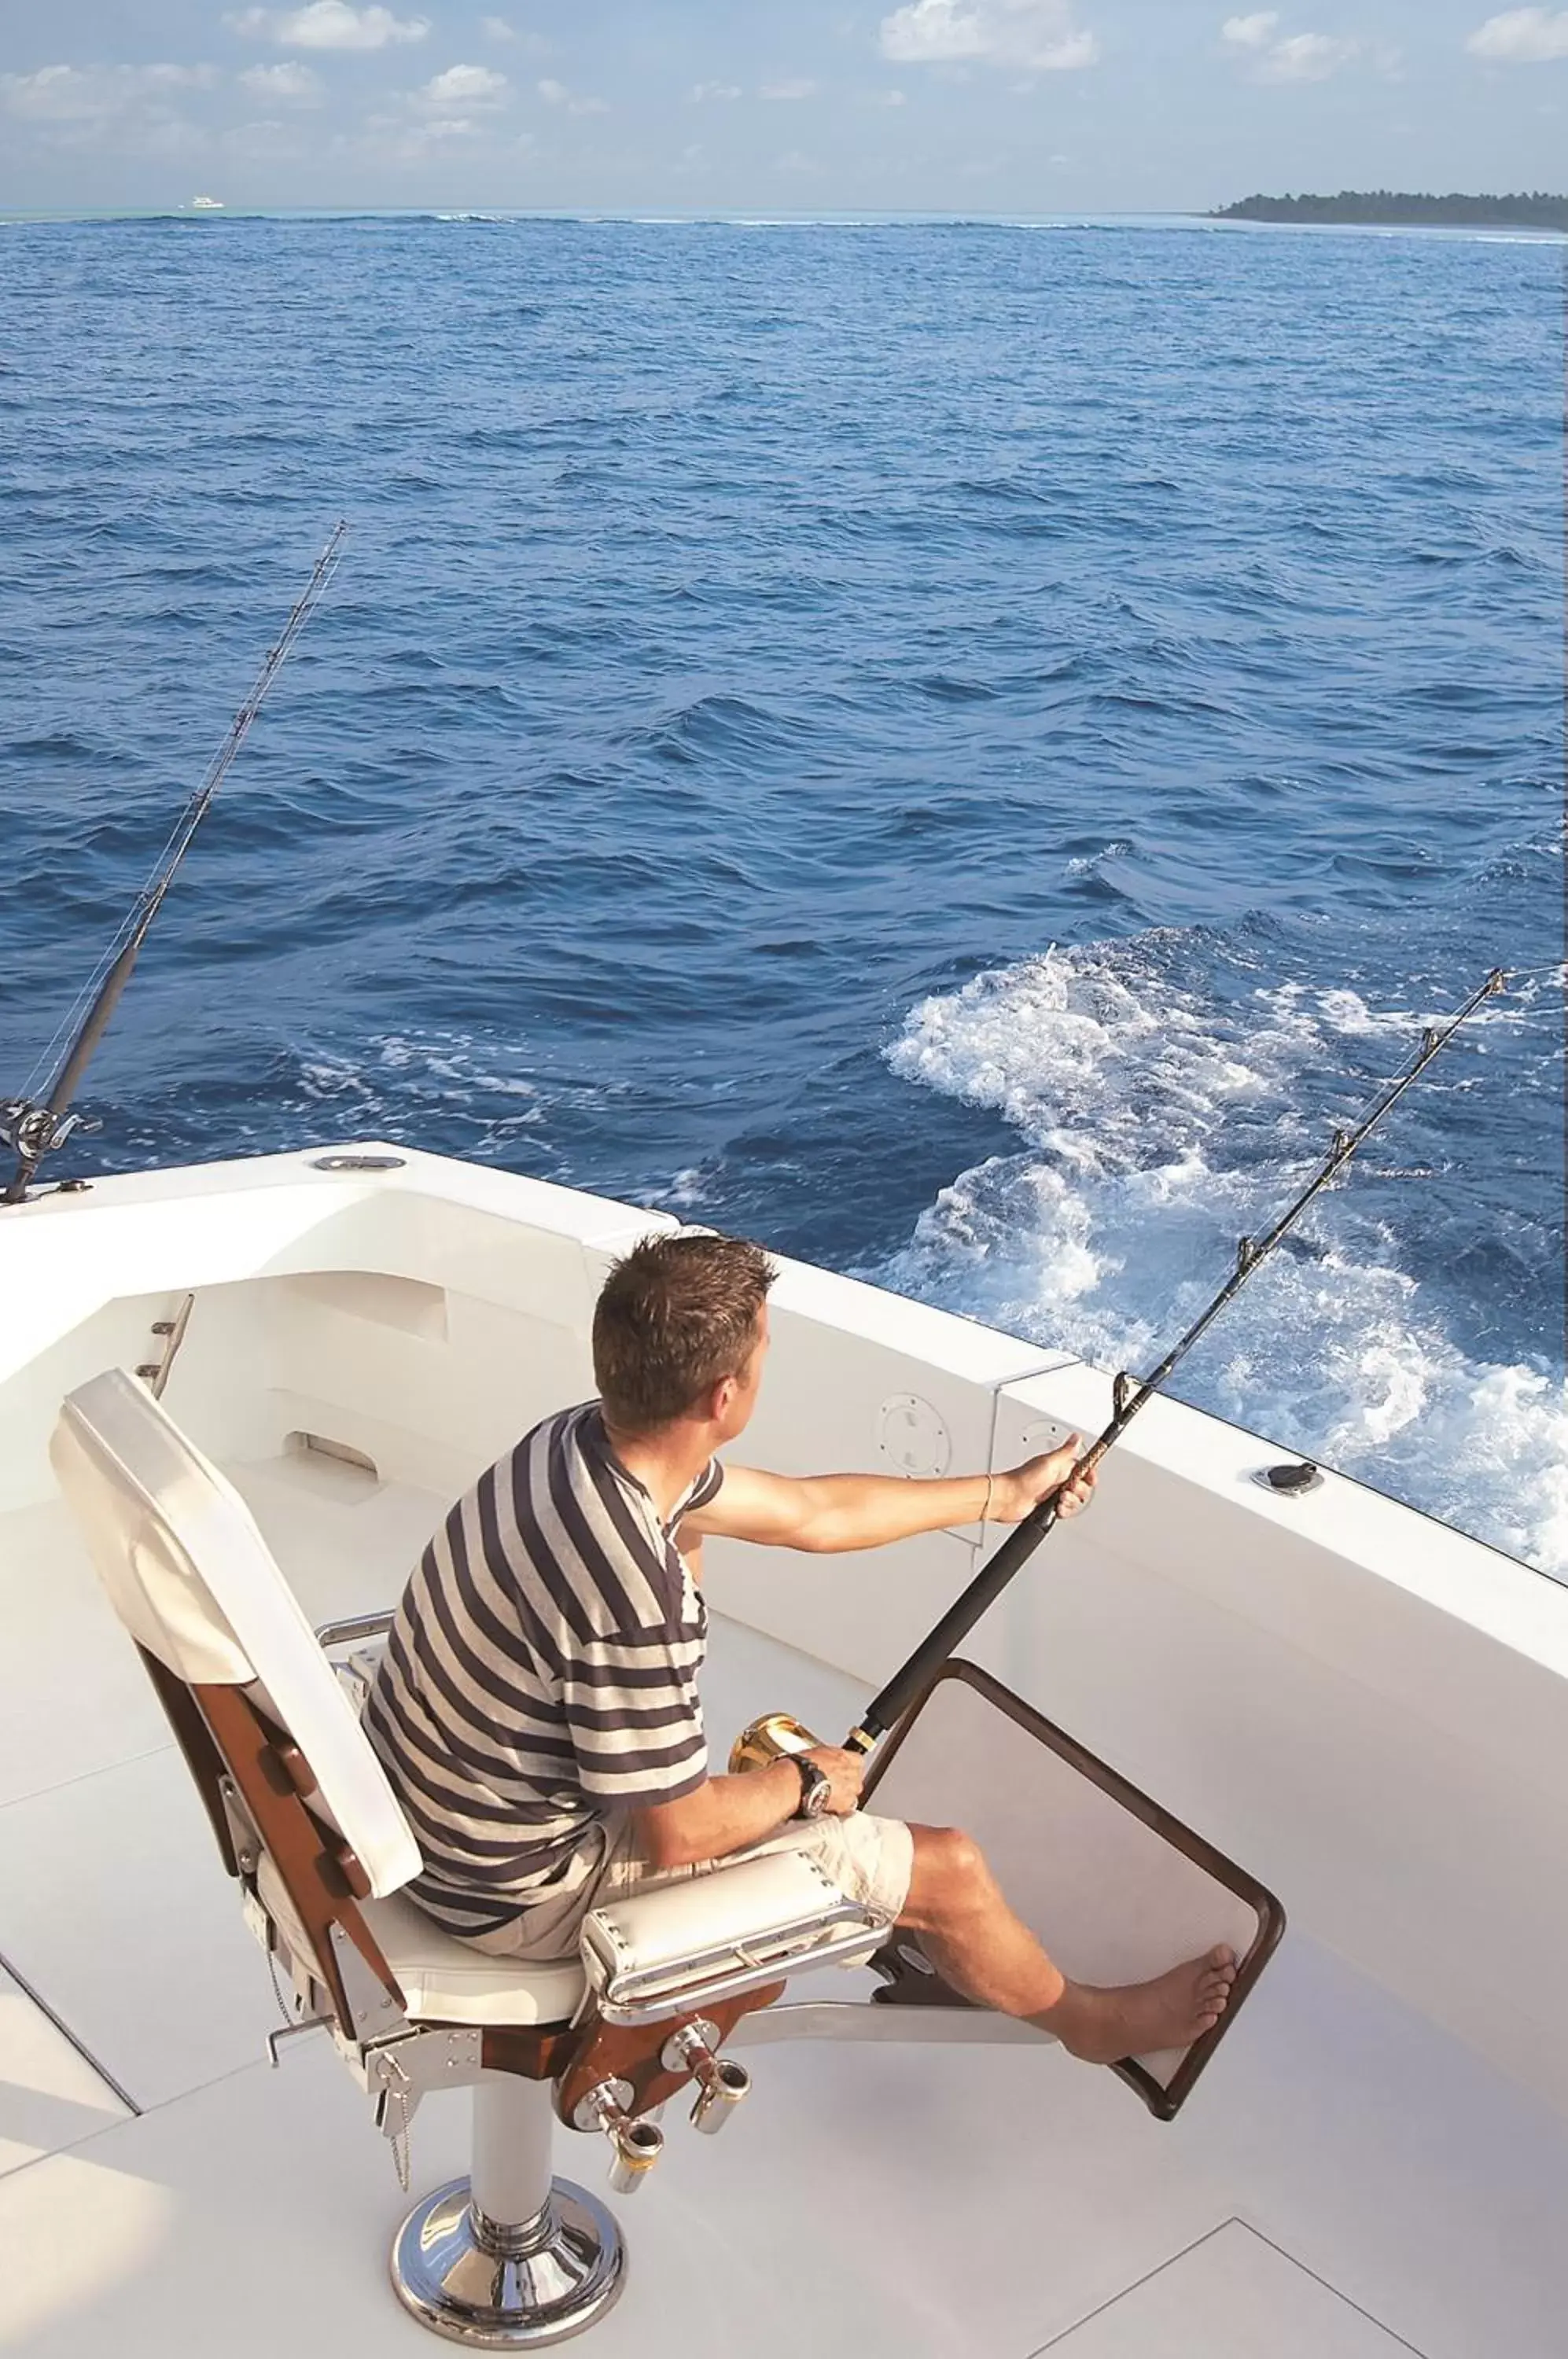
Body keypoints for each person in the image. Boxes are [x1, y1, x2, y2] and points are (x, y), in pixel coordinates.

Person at [366, 1231, 1235, 2063]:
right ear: (723, 1399)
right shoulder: (632, 1588)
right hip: (510, 1895)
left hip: (429, 1823)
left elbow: (809, 1514)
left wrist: (1004, 1495)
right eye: (761, 1355)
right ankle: (1087, 2021)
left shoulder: (577, 1446)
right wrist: (808, 1779)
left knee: (695, 1549)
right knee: (947, 1866)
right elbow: (678, 1835)